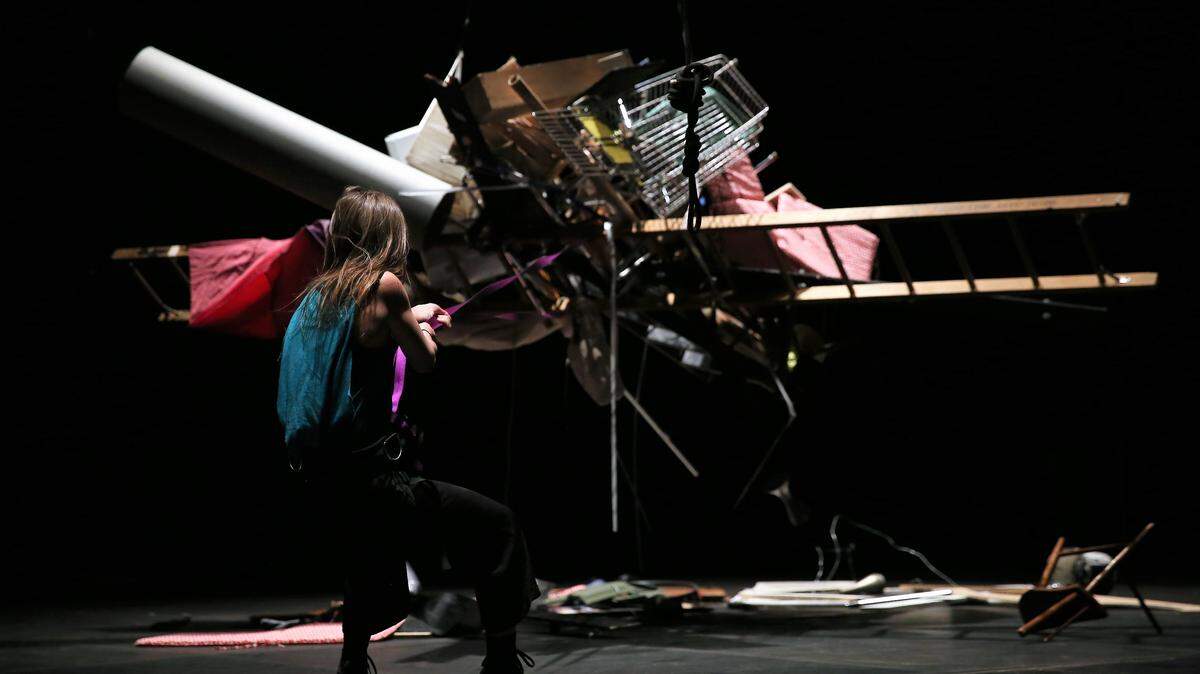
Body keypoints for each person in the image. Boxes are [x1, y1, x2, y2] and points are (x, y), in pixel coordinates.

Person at [277, 186, 539, 673]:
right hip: (376, 480)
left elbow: (368, 334)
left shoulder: (319, 295)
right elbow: (425, 361)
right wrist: (424, 331)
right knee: (497, 525)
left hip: (328, 478)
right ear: (387, 235)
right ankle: (502, 660)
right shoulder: (385, 285)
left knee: (368, 557)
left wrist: (411, 318)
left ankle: (353, 662)